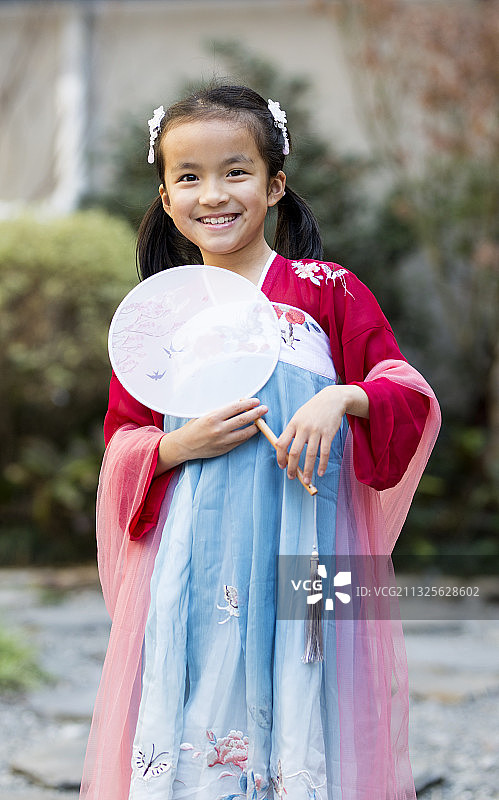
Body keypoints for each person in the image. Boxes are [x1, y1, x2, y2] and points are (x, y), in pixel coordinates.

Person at [80, 85, 440, 800]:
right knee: (194, 702)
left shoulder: (328, 290)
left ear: (275, 184)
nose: (213, 194)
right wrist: (178, 448)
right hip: (192, 555)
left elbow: (407, 394)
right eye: (189, 177)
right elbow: (125, 439)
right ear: (165, 193)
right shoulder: (159, 314)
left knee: (318, 692)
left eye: (235, 171)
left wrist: (341, 397)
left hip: (306, 541)